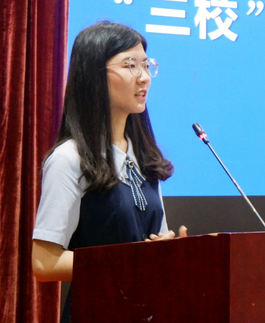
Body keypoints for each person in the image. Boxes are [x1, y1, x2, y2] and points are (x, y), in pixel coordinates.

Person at [31, 21, 186, 320]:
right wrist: (131, 259)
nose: (144, 77)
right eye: (130, 65)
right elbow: (44, 264)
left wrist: (168, 250)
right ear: (94, 75)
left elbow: (153, 243)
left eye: (146, 65)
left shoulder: (145, 157)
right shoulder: (69, 159)